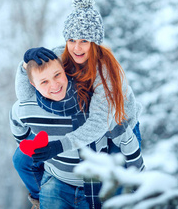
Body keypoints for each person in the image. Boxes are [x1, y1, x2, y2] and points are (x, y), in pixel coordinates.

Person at [10, 52, 144, 209]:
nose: (53, 85)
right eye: (44, 82)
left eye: (57, 75)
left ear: (65, 71)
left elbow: (125, 140)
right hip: (58, 178)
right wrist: (24, 65)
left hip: (112, 131)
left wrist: (139, 184)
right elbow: (19, 125)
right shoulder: (26, 107)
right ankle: (39, 199)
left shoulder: (97, 97)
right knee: (22, 158)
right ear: (34, 85)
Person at [15, 0, 142, 155]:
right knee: (27, 159)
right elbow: (25, 97)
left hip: (120, 129)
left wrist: (60, 146)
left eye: (84, 41)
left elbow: (99, 122)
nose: (76, 48)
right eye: (72, 40)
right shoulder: (59, 57)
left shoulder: (105, 71)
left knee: (120, 175)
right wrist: (26, 65)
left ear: (95, 43)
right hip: (83, 124)